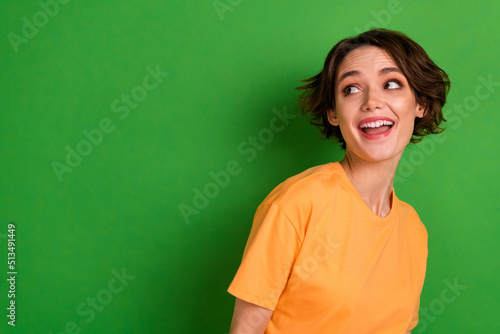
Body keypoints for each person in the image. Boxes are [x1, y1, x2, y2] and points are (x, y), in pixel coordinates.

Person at [227, 28, 450, 334]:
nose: (372, 101)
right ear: (333, 113)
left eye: (391, 84)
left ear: (420, 104)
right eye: (351, 89)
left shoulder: (413, 229)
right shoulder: (297, 202)